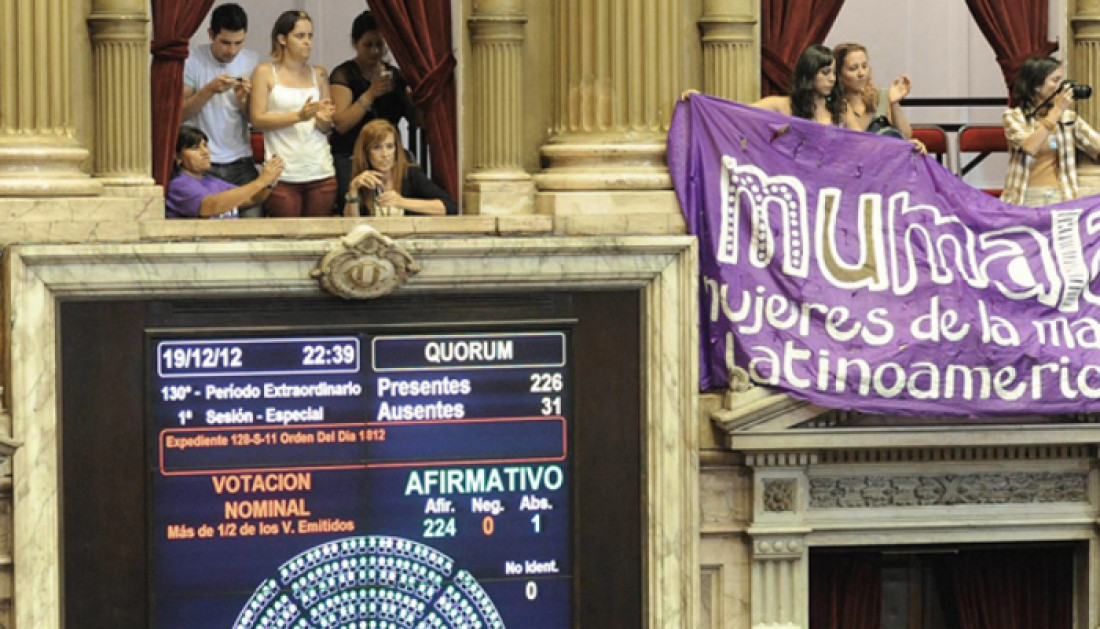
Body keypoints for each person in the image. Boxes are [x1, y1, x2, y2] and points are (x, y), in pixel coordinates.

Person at [250, 10, 337, 217]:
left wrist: (324, 120)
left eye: (310, 36)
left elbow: (326, 126)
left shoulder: (320, 73)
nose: (307, 42)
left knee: (320, 238)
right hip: (283, 172)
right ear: (282, 39)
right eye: (300, 36)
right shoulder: (265, 72)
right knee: (286, 239)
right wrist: (298, 116)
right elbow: (257, 119)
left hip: (320, 169)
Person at [181, 3, 263, 217]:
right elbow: (180, 113)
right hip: (204, 163)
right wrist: (208, 90)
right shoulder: (191, 60)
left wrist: (245, 101)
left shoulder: (251, 60)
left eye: (238, 43)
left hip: (241, 160)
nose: (232, 51)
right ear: (211, 34)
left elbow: (255, 118)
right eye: (225, 43)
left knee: (253, 228)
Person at [329, 11, 418, 208]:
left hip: (388, 153)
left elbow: (416, 120)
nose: (374, 51)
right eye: (368, 45)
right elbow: (341, 124)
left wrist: (414, 100)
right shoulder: (344, 74)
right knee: (356, 201)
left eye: (380, 45)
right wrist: (371, 93)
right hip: (351, 152)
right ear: (355, 43)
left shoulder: (394, 76)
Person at [1002, 56, 1100, 207]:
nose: (1062, 87)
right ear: (1037, 87)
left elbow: (1097, 145)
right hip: (1026, 198)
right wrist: (1057, 110)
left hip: (1060, 197)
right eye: (1056, 80)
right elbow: (1030, 147)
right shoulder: (1014, 117)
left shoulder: (1068, 118)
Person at [166, 126, 283, 219]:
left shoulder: (213, 181)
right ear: (177, 156)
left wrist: (270, 182)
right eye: (195, 148)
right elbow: (209, 206)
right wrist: (260, 181)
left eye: (205, 146)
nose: (205, 152)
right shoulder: (178, 185)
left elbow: (252, 199)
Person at [343, 119, 455, 217]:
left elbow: (449, 207)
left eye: (389, 146)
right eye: (377, 148)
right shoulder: (358, 179)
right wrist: (353, 190)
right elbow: (351, 225)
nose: (385, 154)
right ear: (366, 152)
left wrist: (401, 202)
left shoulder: (410, 173)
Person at [832, 42, 925, 153]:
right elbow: (854, 140)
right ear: (839, 74)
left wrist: (894, 103)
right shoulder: (838, 103)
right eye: (853, 68)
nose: (861, 73)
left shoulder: (882, 96)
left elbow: (905, 135)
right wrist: (870, 111)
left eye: (864, 66)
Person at [751, 44, 844, 125]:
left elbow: (856, 141)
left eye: (834, 73)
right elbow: (742, 114)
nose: (832, 79)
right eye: (825, 72)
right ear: (809, 73)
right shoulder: (780, 104)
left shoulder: (839, 108)